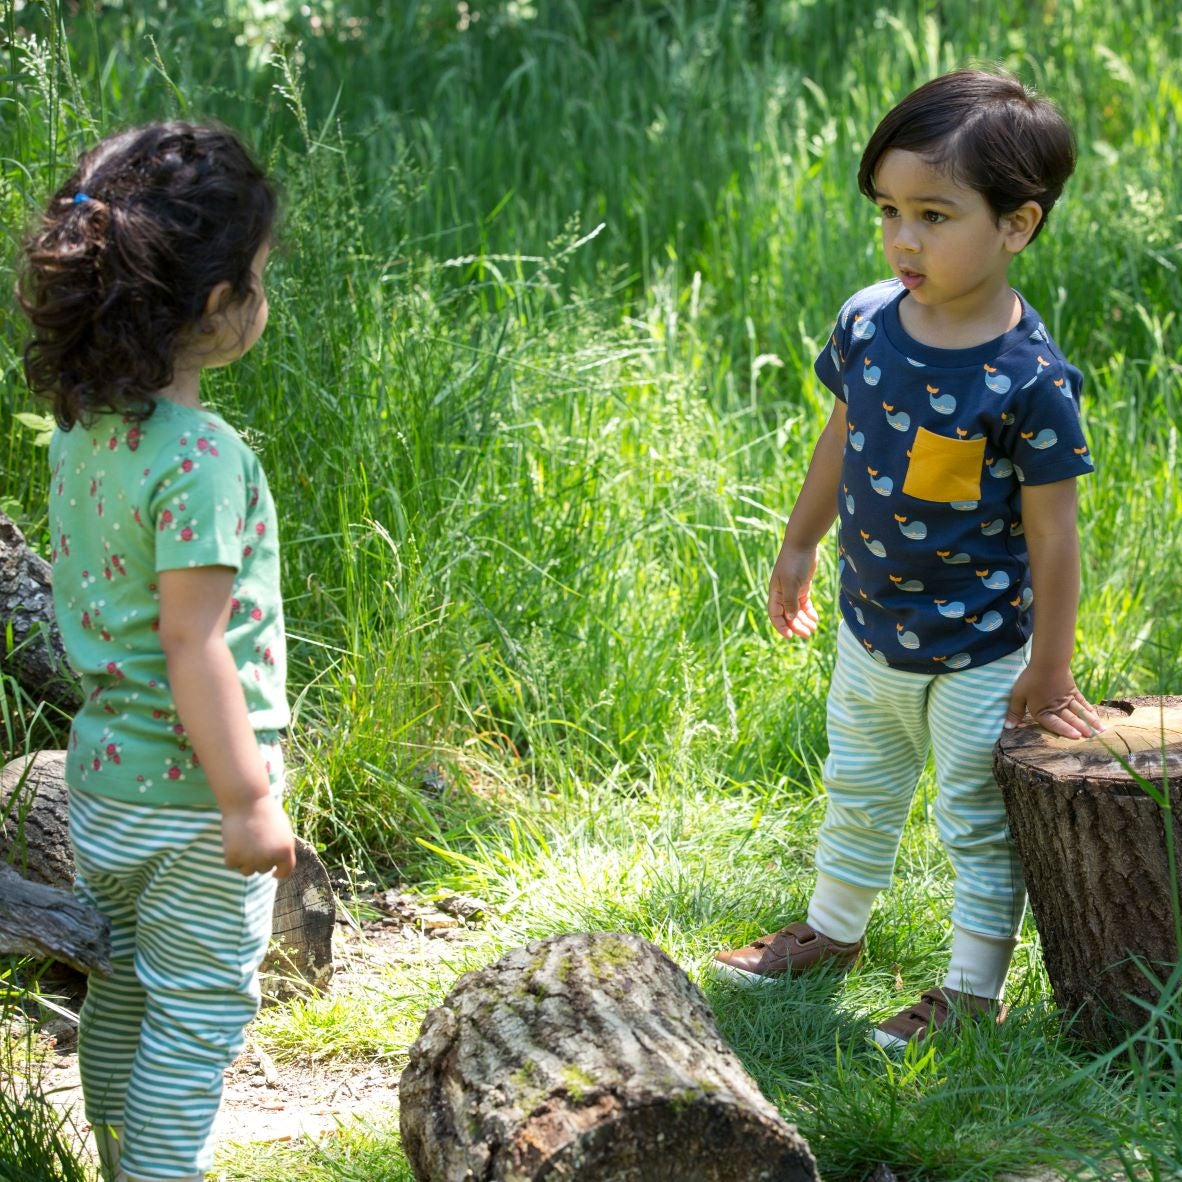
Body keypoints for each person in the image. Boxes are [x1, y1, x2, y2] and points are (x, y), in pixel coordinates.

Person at [712, 70, 1103, 1050]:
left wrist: (1051, 666)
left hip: (981, 649)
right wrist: (801, 541)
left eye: (934, 215)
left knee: (975, 815)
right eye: (889, 211)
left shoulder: (1028, 381)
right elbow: (843, 433)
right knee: (860, 782)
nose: (903, 240)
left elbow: (1055, 535)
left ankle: (972, 988)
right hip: (871, 625)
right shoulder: (869, 322)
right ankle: (833, 930)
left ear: (1017, 225)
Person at [20, 122, 296, 1182]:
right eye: (260, 275)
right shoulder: (205, 460)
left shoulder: (82, 432)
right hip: (192, 799)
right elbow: (195, 642)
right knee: (199, 1008)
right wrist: (247, 798)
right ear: (219, 303)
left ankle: (120, 1156)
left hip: (104, 783)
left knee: (128, 985)